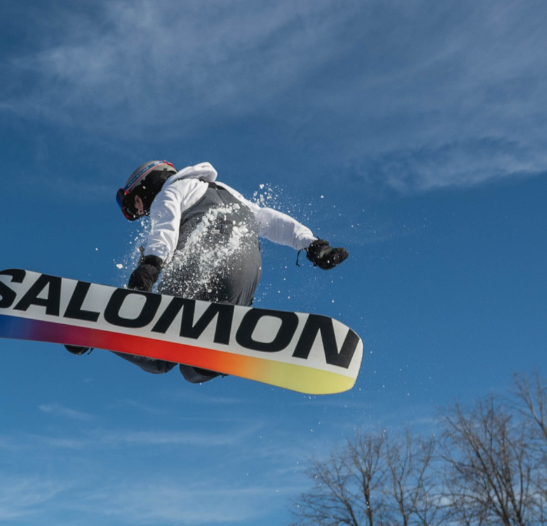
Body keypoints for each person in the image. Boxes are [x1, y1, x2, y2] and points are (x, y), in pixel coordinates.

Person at [66, 160, 348, 383]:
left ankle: (90, 330)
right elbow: (270, 220)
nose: (142, 212)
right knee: (192, 368)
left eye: (137, 203)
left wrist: (147, 271)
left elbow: (164, 232)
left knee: (157, 354)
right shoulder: (228, 192)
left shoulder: (170, 192)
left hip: (204, 262)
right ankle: (228, 347)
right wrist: (313, 244)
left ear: (150, 183)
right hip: (246, 272)